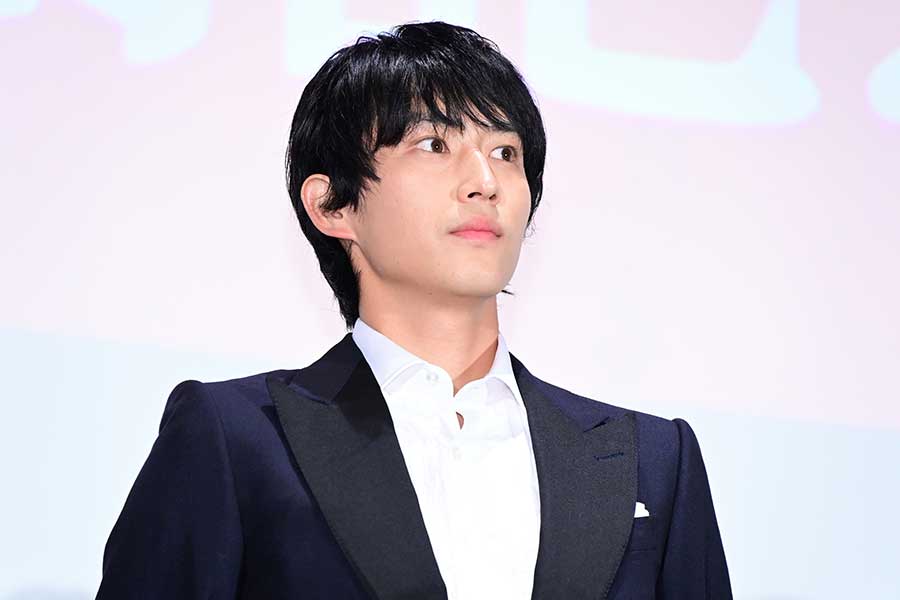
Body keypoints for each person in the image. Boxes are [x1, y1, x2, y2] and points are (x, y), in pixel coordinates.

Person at [96, 21, 732, 599]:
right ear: (332, 206)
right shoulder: (236, 439)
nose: (484, 182)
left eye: (505, 152)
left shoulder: (653, 459)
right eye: (433, 145)